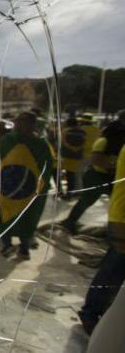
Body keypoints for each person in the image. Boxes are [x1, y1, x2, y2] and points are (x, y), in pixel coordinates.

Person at [0, 111, 53, 260]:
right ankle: (23, 248)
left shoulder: (6, 141)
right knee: (25, 217)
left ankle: (10, 246)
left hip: (7, 188)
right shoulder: (41, 145)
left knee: (6, 215)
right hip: (27, 190)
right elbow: (46, 168)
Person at [78, 143, 125, 336]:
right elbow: (97, 158)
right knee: (114, 269)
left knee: (115, 267)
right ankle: (91, 313)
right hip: (122, 218)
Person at [61, 112, 125, 234]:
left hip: (113, 177)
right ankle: (69, 222)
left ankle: (116, 230)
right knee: (87, 200)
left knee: (118, 205)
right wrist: (114, 167)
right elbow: (96, 159)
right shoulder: (105, 140)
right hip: (97, 176)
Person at [59, 118, 86, 198]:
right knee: (71, 175)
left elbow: (60, 143)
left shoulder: (65, 131)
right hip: (77, 156)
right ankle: (70, 193)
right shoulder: (83, 132)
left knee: (60, 173)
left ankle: (63, 192)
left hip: (66, 156)